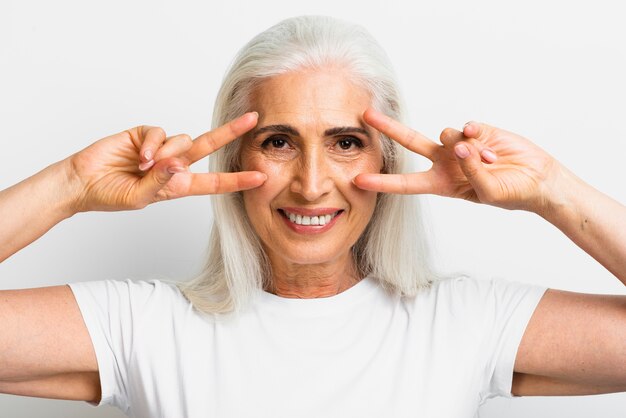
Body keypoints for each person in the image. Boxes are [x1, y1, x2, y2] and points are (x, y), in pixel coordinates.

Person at [0, 15, 624, 418]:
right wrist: (70, 185)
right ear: (234, 157)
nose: (312, 183)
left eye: (345, 142)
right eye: (278, 141)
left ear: (387, 160)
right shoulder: (144, 325)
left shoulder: (462, 320)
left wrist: (551, 190)